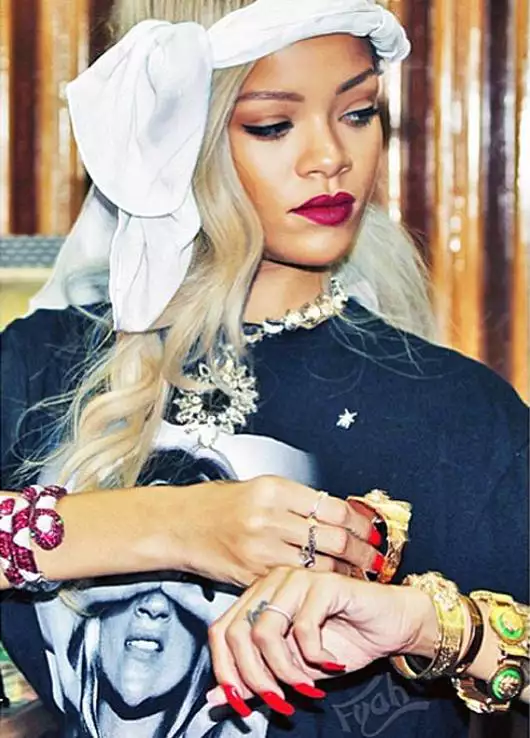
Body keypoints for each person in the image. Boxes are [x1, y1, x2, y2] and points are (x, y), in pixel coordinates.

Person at [0, 1, 527, 737]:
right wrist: (173, 524)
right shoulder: (40, 364)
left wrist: (429, 625)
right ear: (172, 135)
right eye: (273, 125)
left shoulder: (455, 412)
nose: (330, 157)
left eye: (359, 113)